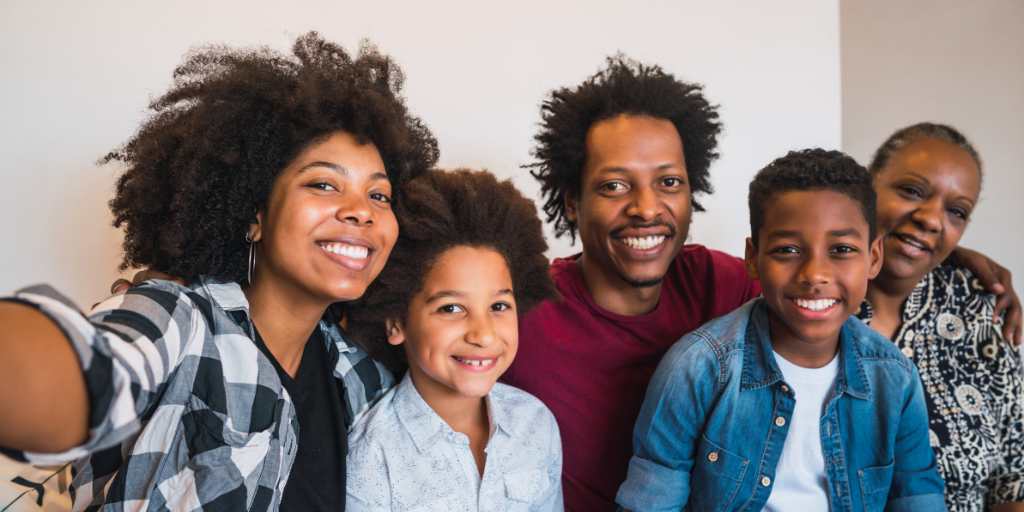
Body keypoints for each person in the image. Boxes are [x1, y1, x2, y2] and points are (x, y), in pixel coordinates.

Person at [503, 55, 1021, 511]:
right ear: (572, 202)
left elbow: (814, 268)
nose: (645, 208)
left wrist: (944, 253)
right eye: (614, 186)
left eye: (669, 182)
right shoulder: (523, 311)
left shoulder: (719, 280)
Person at [0, 32, 438, 511]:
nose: (361, 211)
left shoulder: (359, 379)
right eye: (324, 184)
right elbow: (81, 378)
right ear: (255, 215)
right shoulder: (177, 318)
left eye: (379, 195)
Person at [617, 148, 946, 511]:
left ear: (874, 258)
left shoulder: (894, 377)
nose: (814, 274)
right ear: (753, 259)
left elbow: (918, 497)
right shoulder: (698, 368)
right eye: (787, 250)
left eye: (841, 249)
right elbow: (649, 504)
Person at [343, 169, 562, 511]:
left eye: (499, 306)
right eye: (452, 308)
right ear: (396, 321)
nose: (483, 333)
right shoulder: (372, 455)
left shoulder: (536, 423)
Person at [861, 123, 1023, 511]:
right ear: (864, 187)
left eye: (956, 212)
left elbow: (1013, 480)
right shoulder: (810, 305)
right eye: (912, 191)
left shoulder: (981, 308)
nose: (932, 220)